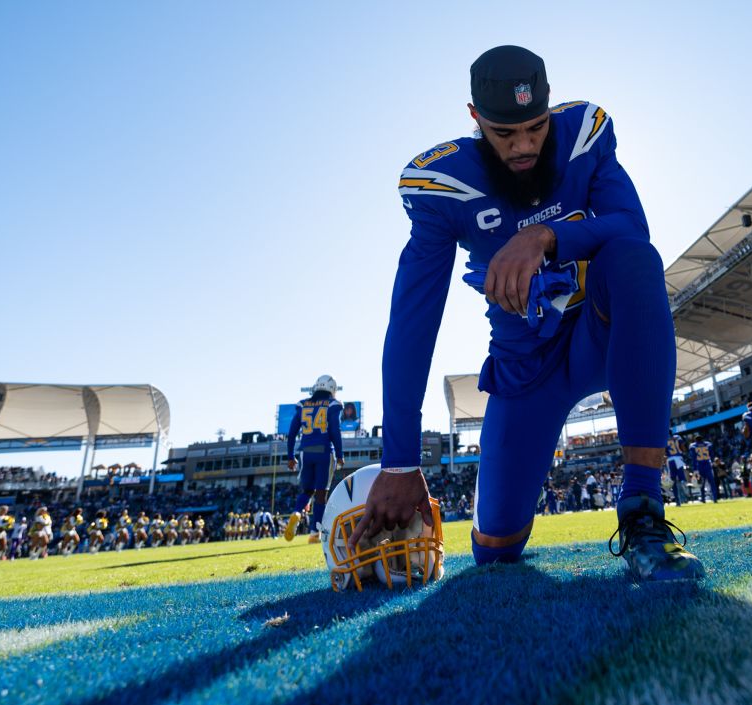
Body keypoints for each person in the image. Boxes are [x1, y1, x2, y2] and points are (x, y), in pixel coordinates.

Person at [358, 46, 701, 581]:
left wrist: (545, 236)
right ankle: (500, 523)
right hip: (525, 366)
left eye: (536, 128)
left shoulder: (583, 132)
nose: (524, 146)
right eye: (504, 133)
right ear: (475, 119)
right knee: (495, 550)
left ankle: (642, 510)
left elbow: (633, 230)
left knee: (634, 261)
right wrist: (400, 460)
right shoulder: (444, 183)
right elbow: (413, 318)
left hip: (600, 335)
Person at [284, 374, 345, 542]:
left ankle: (297, 511)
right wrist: (340, 454)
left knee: (307, 491)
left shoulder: (303, 404)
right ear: (332, 389)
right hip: (324, 451)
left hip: (305, 451)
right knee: (320, 494)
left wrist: (290, 456)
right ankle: (314, 533)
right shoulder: (333, 405)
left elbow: (292, 433)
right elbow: (334, 431)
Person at [688, 434, 718, 503]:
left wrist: (695, 469)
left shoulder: (693, 446)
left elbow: (693, 458)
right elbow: (712, 455)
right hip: (707, 465)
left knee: (701, 483)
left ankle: (703, 499)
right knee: (712, 483)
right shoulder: (708, 444)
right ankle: (715, 498)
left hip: (699, 466)